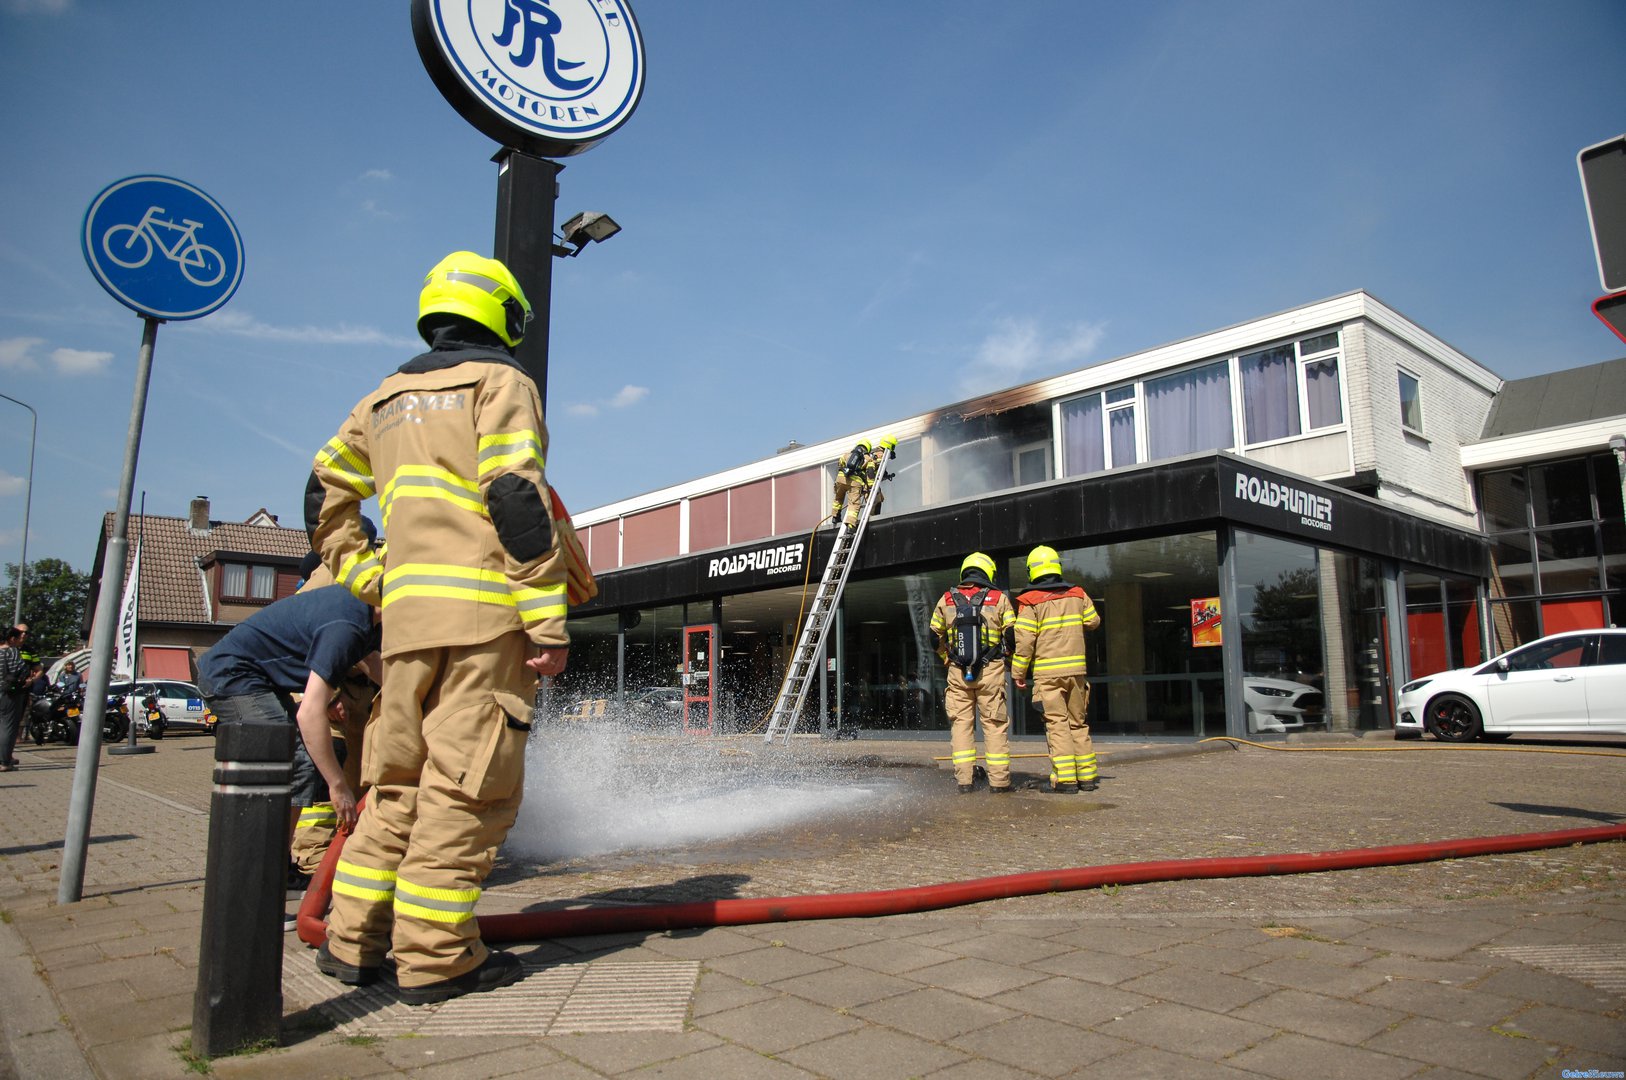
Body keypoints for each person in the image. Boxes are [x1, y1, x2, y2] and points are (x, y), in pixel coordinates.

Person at [307, 250, 574, 1006]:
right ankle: (437, 958)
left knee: (394, 789)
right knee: (467, 792)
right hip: (484, 622)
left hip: (407, 629)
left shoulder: (380, 400)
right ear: (503, 315)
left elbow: (322, 494)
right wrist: (546, 623)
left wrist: (370, 581)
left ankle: (352, 943)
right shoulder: (501, 382)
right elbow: (517, 497)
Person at [195, 584, 383, 872]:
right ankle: (263, 868)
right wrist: (338, 786)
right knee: (292, 756)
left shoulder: (366, 613)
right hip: (231, 675)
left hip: (260, 679)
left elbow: (378, 667)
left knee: (301, 761)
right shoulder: (347, 624)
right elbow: (309, 714)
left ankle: (273, 863)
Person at [1011, 545, 1103, 793]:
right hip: (1076, 672)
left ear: (1032, 570)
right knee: (1078, 723)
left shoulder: (1029, 602)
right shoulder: (1078, 594)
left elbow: (1025, 642)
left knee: (1057, 725)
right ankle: (1088, 777)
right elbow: (1094, 621)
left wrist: (1018, 673)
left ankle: (1065, 780)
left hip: (1048, 675)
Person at [930, 553, 1016, 793]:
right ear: (988, 572)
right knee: (994, 725)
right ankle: (999, 783)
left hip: (958, 672)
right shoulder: (999, 598)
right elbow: (1011, 634)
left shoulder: (946, 599)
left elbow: (933, 636)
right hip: (991, 670)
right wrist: (1006, 656)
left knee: (961, 727)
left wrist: (946, 657)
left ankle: (965, 781)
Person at [829, 435, 896, 532]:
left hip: (840, 480)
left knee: (838, 499)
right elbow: (870, 471)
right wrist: (871, 485)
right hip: (857, 483)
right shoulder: (872, 457)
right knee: (855, 504)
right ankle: (852, 526)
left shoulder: (847, 454)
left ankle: (835, 516)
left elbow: (840, 465)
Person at [0, 626, 26, 771]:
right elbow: (20, 669)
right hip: (8, 692)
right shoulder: (12, 651)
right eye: (18, 638)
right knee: (7, 726)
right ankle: (4, 761)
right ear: (12, 639)